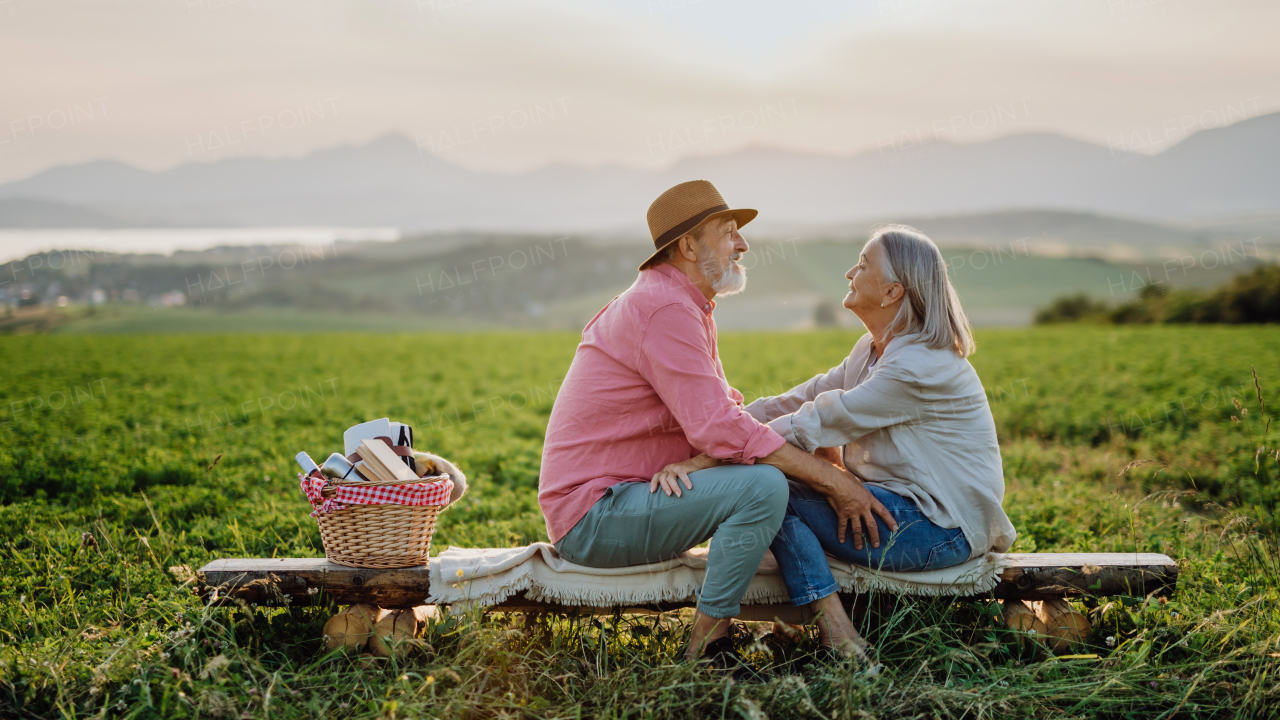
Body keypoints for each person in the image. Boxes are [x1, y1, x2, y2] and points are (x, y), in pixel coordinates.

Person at [538, 180, 897, 671]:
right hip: (596, 516)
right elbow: (723, 428)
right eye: (729, 233)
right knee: (762, 485)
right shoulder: (665, 308)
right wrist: (834, 480)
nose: (743, 244)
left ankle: (798, 622)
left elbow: (726, 418)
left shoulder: (681, 303)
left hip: (622, 499)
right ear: (688, 246)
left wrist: (729, 454)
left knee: (768, 470)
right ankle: (706, 652)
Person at [653, 224, 1016, 658]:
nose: (849, 272)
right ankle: (825, 626)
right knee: (767, 481)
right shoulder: (872, 349)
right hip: (897, 507)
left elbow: (814, 421)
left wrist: (707, 460)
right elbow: (794, 400)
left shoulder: (919, 366)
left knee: (765, 490)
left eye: (863, 265)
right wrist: (721, 427)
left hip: (941, 529)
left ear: (891, 292)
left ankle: (835, 630)